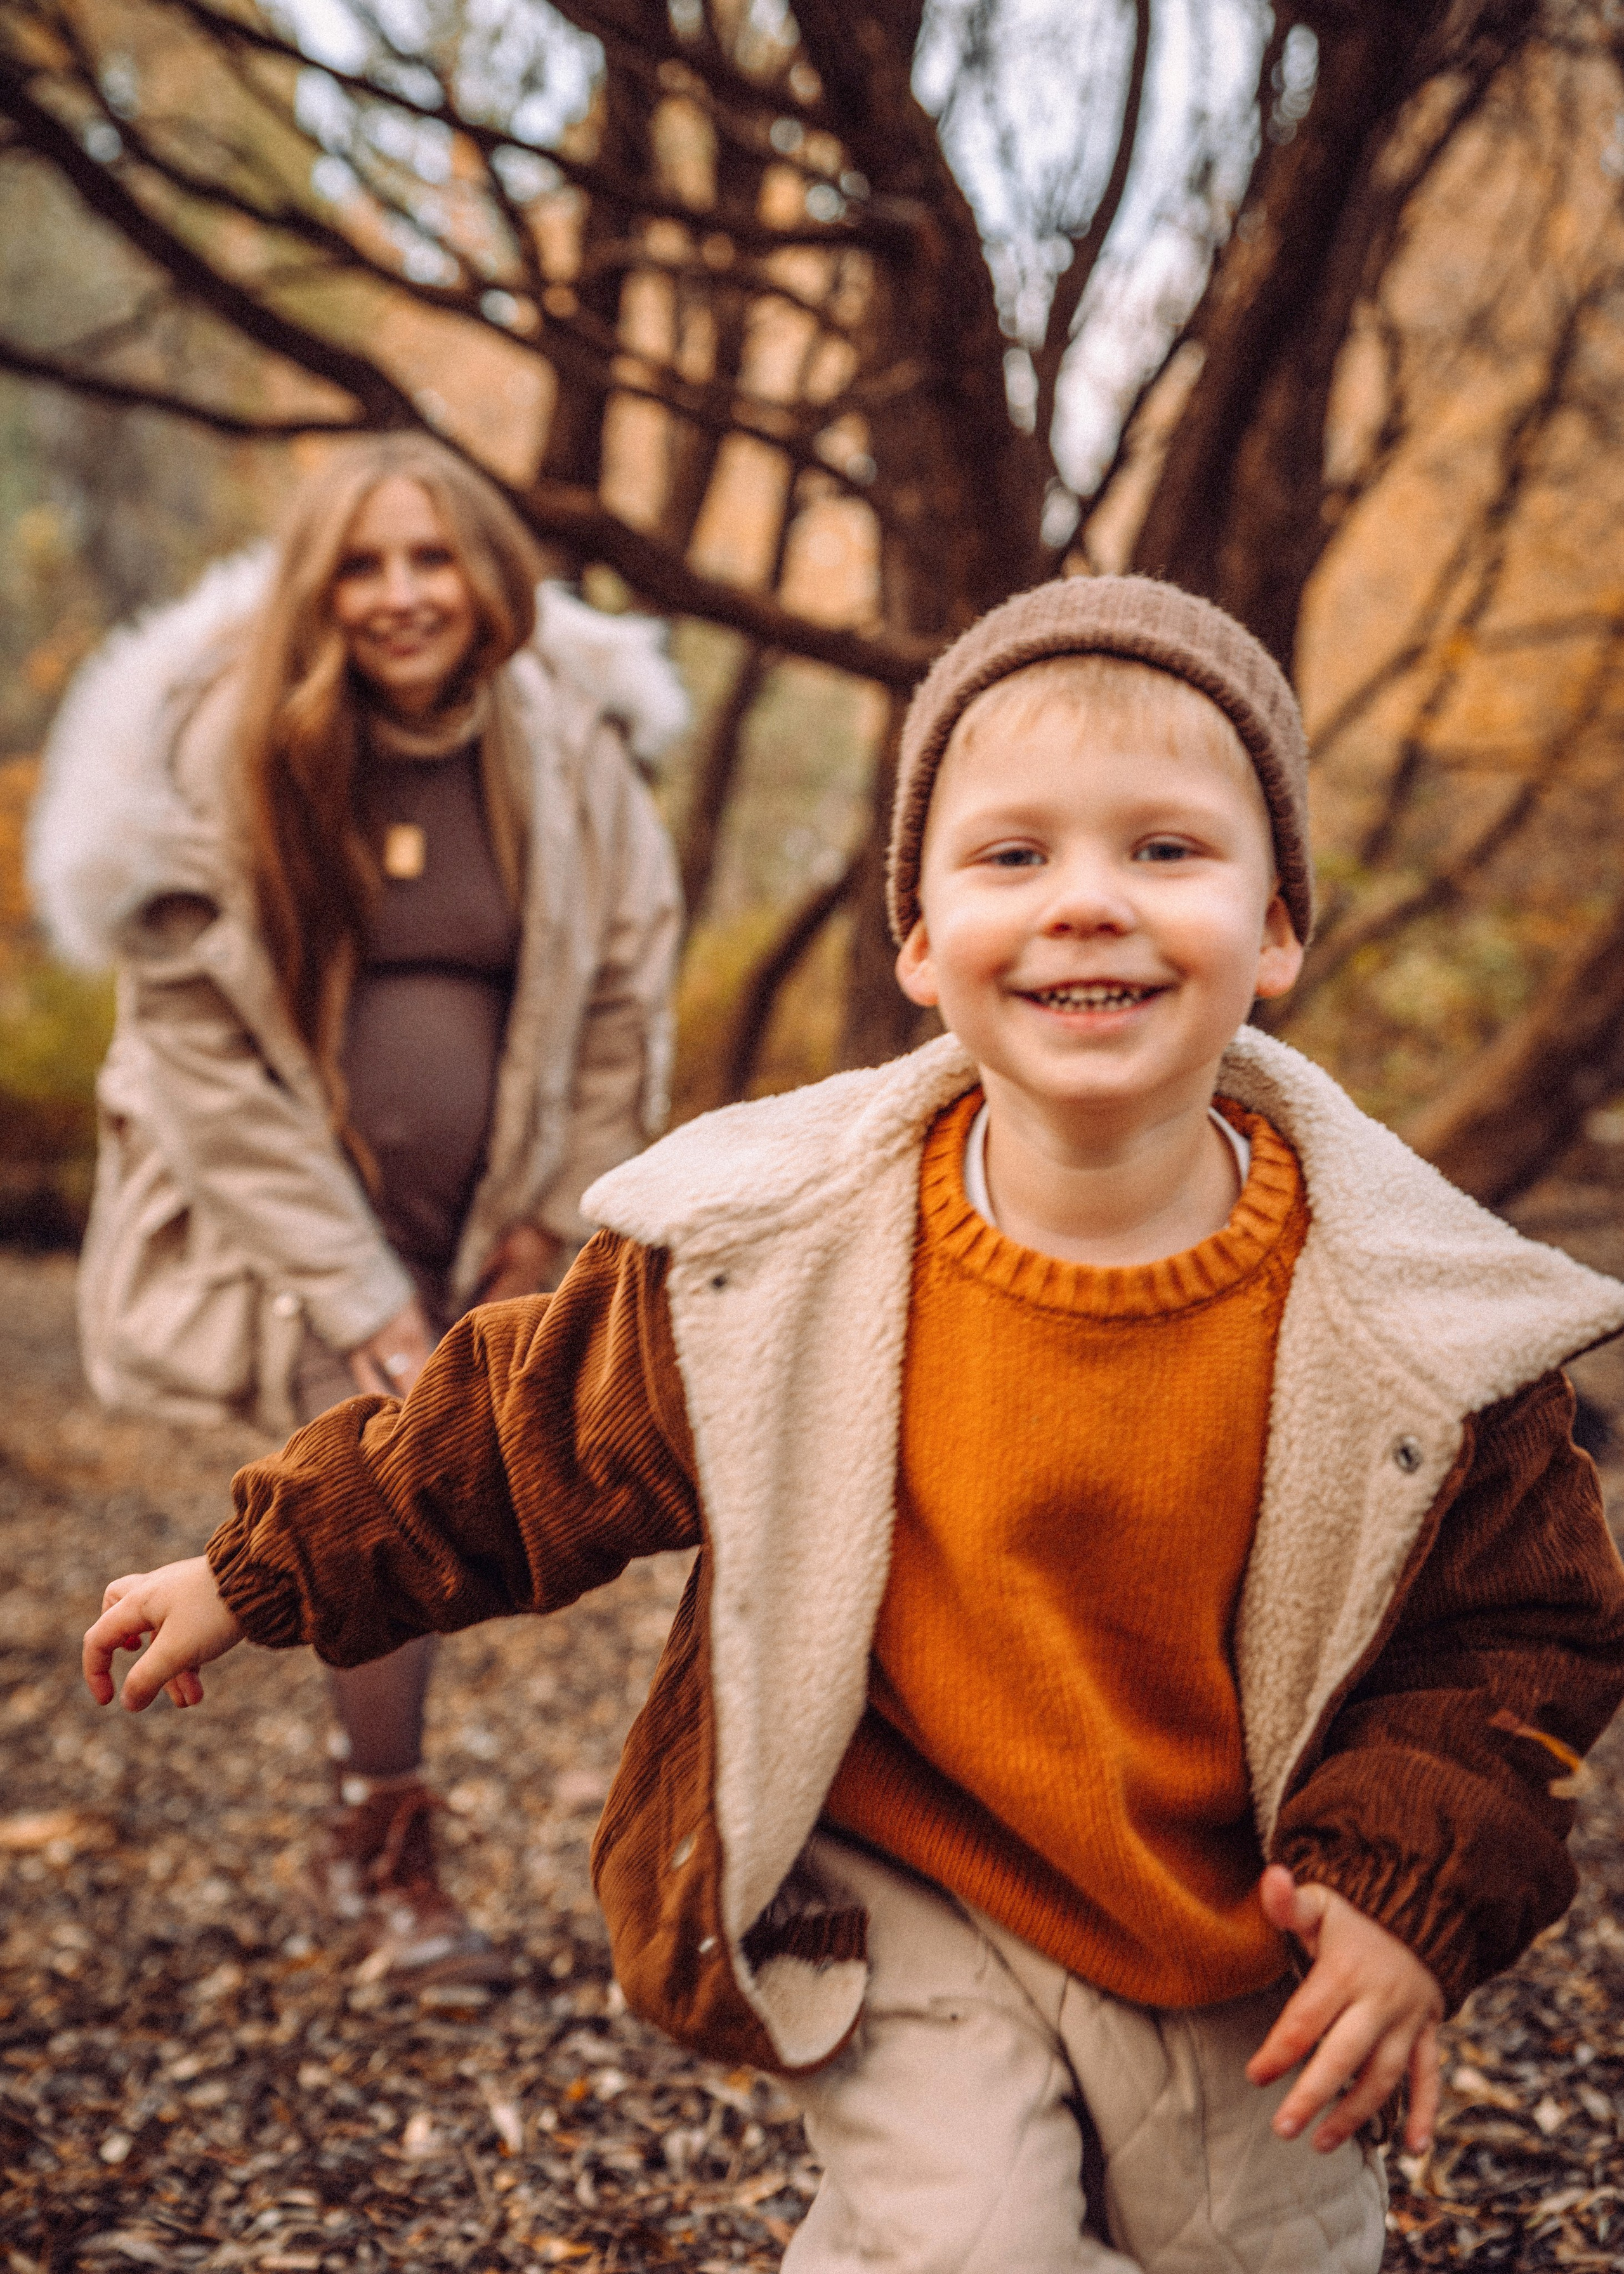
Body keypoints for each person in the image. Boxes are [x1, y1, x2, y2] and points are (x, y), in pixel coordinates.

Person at [82, 576, 1624, 2273]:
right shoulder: (779, 1251)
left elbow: (1518, 1638)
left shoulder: (1411, 1319)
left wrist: (1406, 1891)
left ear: (1274, 930)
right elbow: (519, 1436)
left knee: (1260, 2249)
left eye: (1165, 850)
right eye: (1012, 855)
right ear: (918, 941)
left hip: (1229, 1906)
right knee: (969, 2245)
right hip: (903, 1874)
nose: (1087, 901)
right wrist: (260, 1568)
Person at [37, 435, 683, 1987]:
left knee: (454, 1477)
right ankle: (383, 1847)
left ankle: (569, 1849)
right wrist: (355, 1287)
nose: (402, 594)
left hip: (493, 1212)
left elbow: (622, 987)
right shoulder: (228, 746)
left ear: (487, 577)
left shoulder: (564, 743)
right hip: (300, 1216)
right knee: (368, 1466)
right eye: (364, 565)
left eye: (431, 558)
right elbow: (194, 1054)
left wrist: (548, 1214)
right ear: (317, 590)